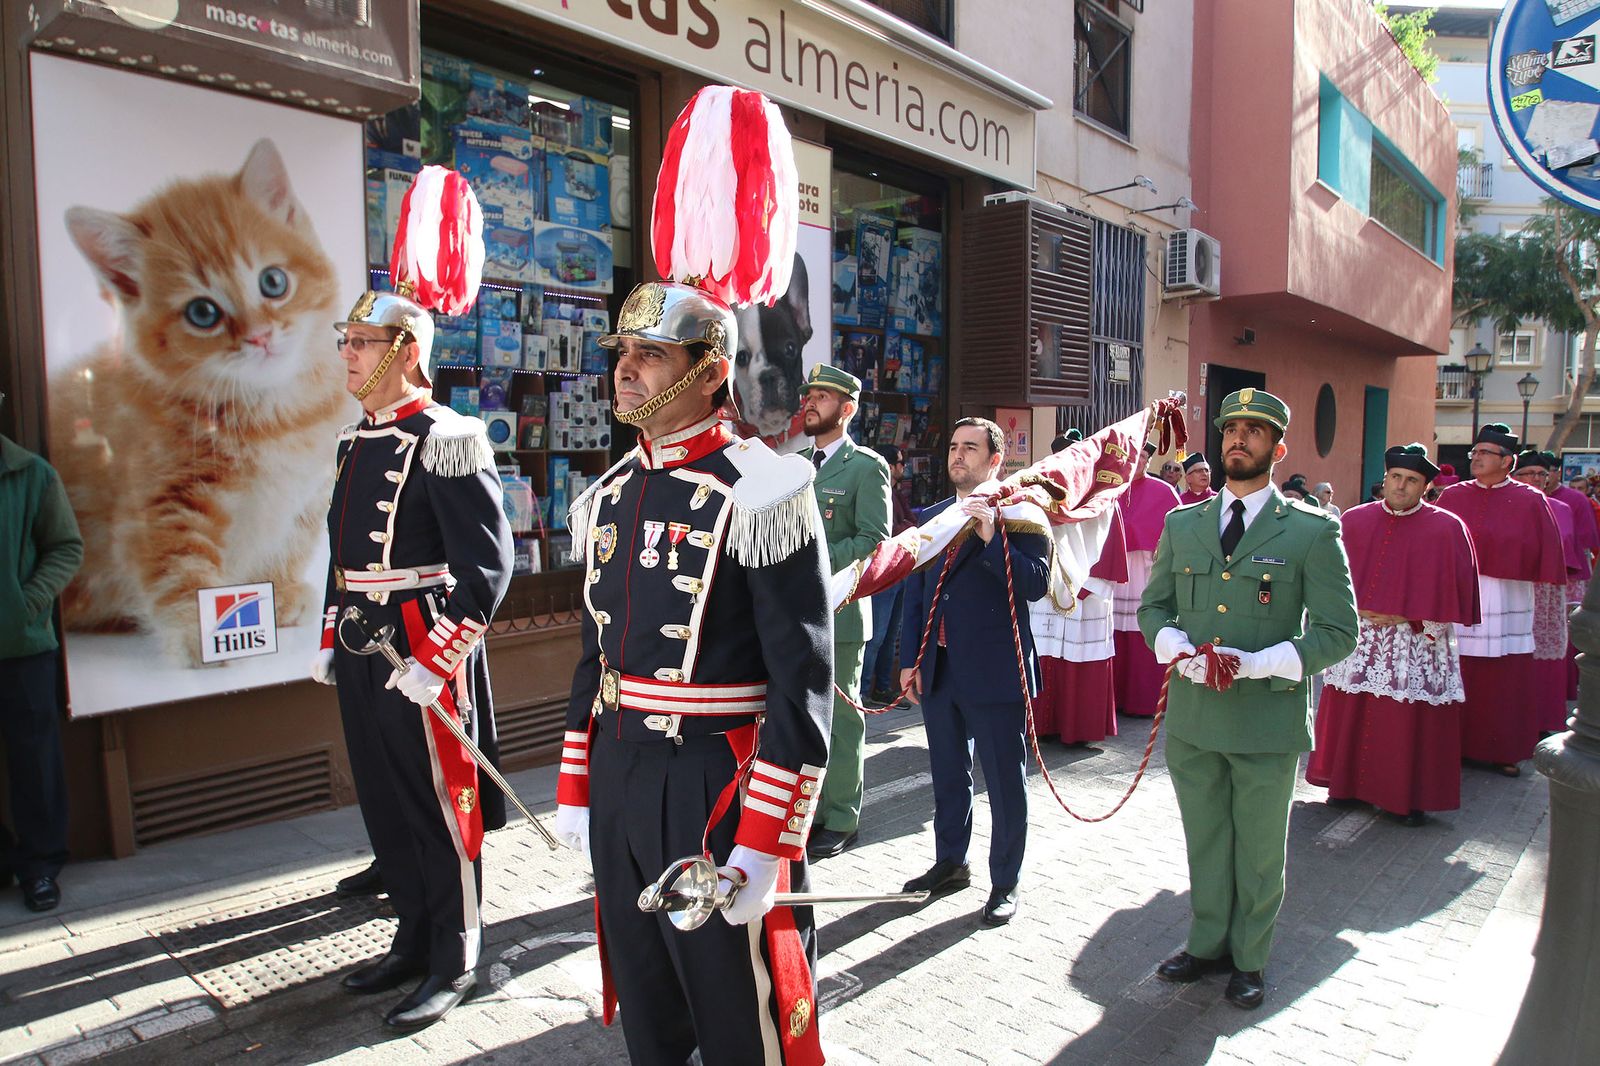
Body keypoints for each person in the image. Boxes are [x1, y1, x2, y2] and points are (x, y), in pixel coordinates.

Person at [552, 83, 834, 1065]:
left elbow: (804, 685)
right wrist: (580, 780)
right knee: (650, 1012)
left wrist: (765, 837)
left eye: (649, 353)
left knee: (735, 1015)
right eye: (621, 352)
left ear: (709, 370)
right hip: (626, 771)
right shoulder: (616, 490)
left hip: (715, 782)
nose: (625, 369)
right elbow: (599, 648)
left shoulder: (764, 487)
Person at [310, 168, 514, 1029]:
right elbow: (340, 552)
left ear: (404, 351)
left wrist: (440, 657)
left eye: (360, 342)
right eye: (347, 341)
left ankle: (457, 949)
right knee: (386, 797)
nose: (348, 354)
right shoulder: (358, 441)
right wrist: (331, 631)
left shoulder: (451, 437)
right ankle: (411, 934)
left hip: (423, 640)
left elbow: (489, 565)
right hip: (365, 638)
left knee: (439, 801)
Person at [1138, 387, 1357, 1010]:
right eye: (1232, 428)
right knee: (1205, 838)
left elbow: (1340, 631)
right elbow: (1154, 607)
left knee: (1260, 851)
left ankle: (1251, 959)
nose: (1238, 438)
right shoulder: (1184, 524)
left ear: (1277, 447)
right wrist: (1175, 644)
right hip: (1195, 718)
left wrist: (1264, 663)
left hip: (1266, 720)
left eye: (1254, 431)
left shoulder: (1311, 531)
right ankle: (1207, 944)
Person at [899, 417, 1050, 925]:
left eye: (971, 448)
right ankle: (950, 863)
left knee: (1006, 783)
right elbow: (916, 594)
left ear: (994, 461)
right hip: (940, 668)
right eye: (954, 446)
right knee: (947, 775)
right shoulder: (936, 516)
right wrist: (908, 660)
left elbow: (1033, 585)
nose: (958, 456)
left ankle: (1005, 883)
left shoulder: (1022, 514)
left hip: (997, 671)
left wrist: (991, 538)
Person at [1306, 444, 1479, 825]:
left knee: (1404, 718)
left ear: (1426, 487)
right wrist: (1351, 609)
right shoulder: (1352, 520)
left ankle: (1401, 797)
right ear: (1384, 480)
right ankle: (1344, 785)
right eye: (1395, 478)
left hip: (1413, 640)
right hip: (1362, 635)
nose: (1401, 487)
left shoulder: (1448, 528)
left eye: (1412, 481)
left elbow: (1455, 595)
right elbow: (1326, 577)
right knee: (1351, 709)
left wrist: (1407, 615)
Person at [798, 365, 890, 860]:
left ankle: (841, 818)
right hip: (795, 614)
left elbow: (874, 542)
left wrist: (808, 555)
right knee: (802, 717)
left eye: (823, 396)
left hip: (842, 611)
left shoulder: (865, 467)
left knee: (842, 718)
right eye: (809, 394)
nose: (810, 402)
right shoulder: (795, 464)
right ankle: (807, 812)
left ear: (847, 409)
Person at [1437, 425, 1564, 777]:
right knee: (1454, 668)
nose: (1476, 458)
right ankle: (1451, 744)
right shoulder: (1452, 497)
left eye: (1485, 453)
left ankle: (1501, 749)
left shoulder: (1530, 499)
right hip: (1460, 596)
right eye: (1474, 452)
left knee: (1503, 676)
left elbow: (1545, 552)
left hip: (1507, 598)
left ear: (1507, 461)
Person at [0, 390, 83, 913]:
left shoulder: (29, 474)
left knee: (35, 762)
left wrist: (27, 603)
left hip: (22, 646)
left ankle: (40, 868)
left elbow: (65, 546)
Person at [1029, 429, 1127, 745]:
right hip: (1046, 589)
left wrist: (1083, 584)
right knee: (1044, 654)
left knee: (1077, 658)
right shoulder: (1039, 493)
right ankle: (1039, 725)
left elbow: (1109, 544)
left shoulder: (1103, 497)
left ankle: (1076, 729)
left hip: (1086, 594)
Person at [1511, 451, 1582, 734]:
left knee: (1544, 653)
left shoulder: (1561, 508)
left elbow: (1573, 554)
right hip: (1516, 588)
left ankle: (1542, 719)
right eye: (1531, 473)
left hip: (1548, 593)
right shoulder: (1510, 504)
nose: (1538, 479)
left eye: (1543, 473)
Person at [1113, 442, 1182, 718]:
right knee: (1115, 633)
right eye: (1132, 457)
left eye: (1142, 457)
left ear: (1149, 461)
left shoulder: (1163, 491)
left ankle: (1145, 700)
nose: (1137, 462)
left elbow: (1177, 530)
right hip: (1115, 570)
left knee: (1142, 631)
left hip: (1146, 570)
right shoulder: (1112, 490)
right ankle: (1115, 697)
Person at [863, 444, 916, 705]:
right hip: (882, 574)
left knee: (891, 635)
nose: (902, 467)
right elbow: (889, 533)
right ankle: (861, 691)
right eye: (899, 462)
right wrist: (906, 527)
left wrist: (907, 527)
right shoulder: (876, 490)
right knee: (875, 637)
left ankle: (882, 688)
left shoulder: (896, 493)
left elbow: (909, 524)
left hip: (899, 571)